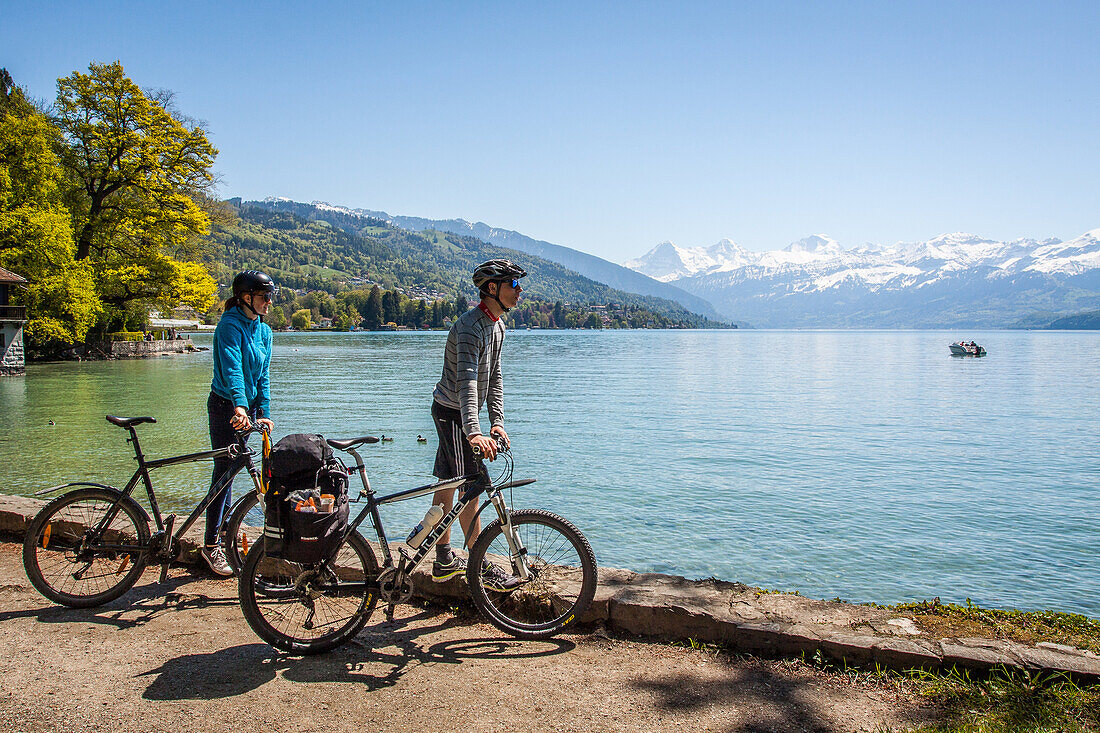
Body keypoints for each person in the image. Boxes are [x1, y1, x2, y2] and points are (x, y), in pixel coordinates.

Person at [428, 259, 527, 591]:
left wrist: (497, 423)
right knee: (470, 487)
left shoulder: (497, 326)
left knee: (449, 482)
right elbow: (467, 383)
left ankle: (442, 558)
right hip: (451, 412)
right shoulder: (471, 327)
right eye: (513, 284)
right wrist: (474, 431)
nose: (519, 290)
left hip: (461, 414)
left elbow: (494, 378)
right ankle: (479, 565)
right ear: (492, 288)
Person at [202, 270, 277, 575]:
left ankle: (222, 536)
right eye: (264, 297)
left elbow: (263, 377)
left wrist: (264, 412)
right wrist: (240, 407)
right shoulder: (228, 327)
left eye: (270, 297)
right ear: (246, 298)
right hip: (225, 408)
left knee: (232, 470)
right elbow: (233, 369)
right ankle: (210, 545)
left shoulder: (264, 332)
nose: (269, 302)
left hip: (245, 410)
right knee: (224, 473)